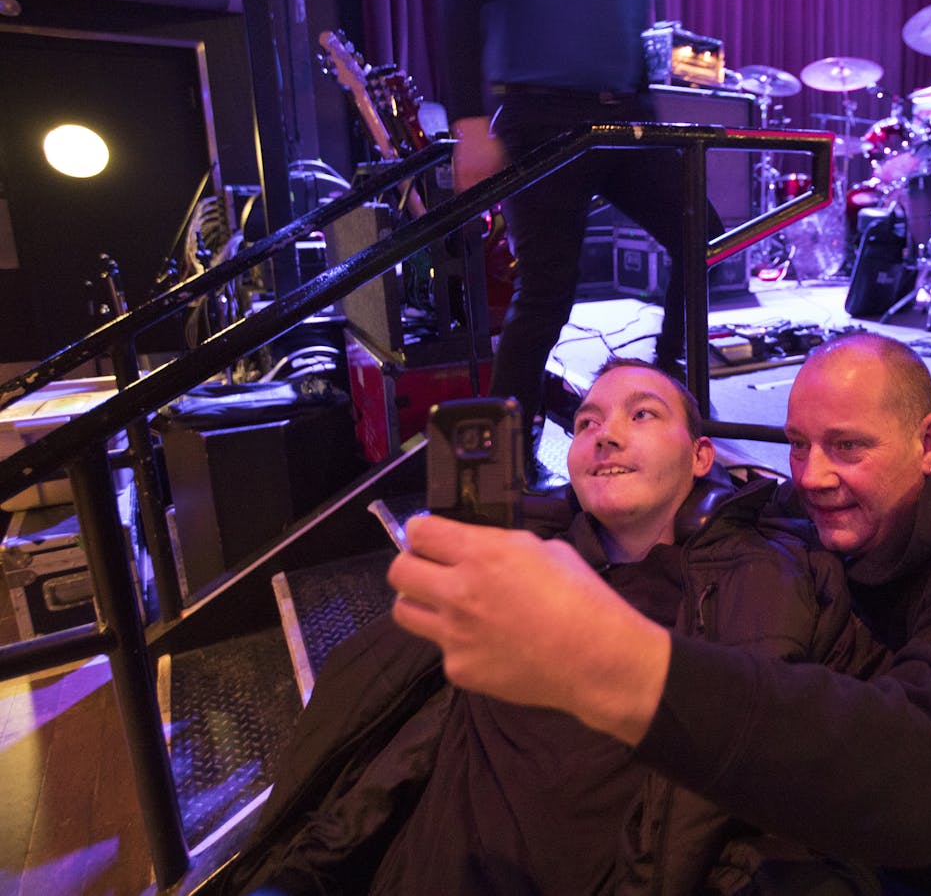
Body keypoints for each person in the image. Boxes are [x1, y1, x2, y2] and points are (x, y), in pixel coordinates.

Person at [391, 333, 931, 894]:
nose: (812, 476)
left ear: (928, 443)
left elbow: (927, 774)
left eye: (847, 447)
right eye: (797, 444)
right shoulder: (810, 521)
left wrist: (612, 661)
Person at [225, 359, 883, 895]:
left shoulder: (767, 584)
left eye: (642, 413)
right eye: (587, 421)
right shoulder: (514, 565)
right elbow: (393, 753)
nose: (604, 432)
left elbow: (800, 804)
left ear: (702, 454)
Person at [441, 0, 723, 479]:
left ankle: (667, 382)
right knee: (546, 294)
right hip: (542, 115)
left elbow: (622, 27)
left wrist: (647, 112)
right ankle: (502, 466)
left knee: (705, 235)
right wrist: (468, 121)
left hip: (624, 115)